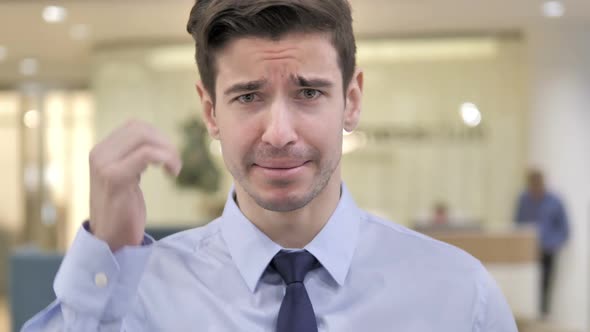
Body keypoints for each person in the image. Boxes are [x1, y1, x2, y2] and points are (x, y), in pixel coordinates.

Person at [23, 0, 517, 331]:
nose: (279, 132)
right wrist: (105, 252)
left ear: (351, 100)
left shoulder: (456, 295)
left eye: (308, 92)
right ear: (211, 111)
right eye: (248, 96)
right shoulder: (134, 297)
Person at [515, 169, 569, 317]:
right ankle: (526, 317)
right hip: (526, 252)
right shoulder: (523, 199)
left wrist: (552, 244)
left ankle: (544, 317)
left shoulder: (555, 201)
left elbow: (564, 230)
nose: (535, 187)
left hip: (547, 252)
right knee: (526, 286)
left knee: (545, 287)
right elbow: (517, 223)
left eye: (537, 183)